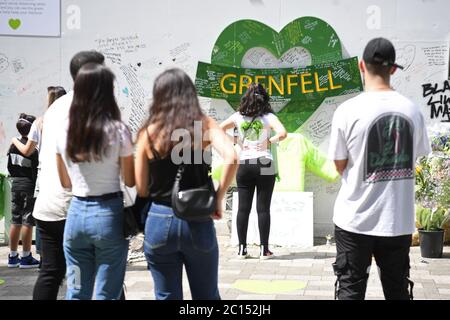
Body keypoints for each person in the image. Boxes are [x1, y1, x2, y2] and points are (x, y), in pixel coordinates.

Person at [328, 37, 431, 300]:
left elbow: (339, 164)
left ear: (362, 66)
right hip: (396, 220)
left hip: (354, 218)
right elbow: (416, 157)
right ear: (393, 69)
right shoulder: (412, 111)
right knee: (397, 290)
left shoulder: (347, 111)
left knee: (350, 289)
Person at [135, 68, 238, 300]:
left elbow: (141, 188)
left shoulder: (149, 132)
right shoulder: (205, 125)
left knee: (166, 295)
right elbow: (232, 157)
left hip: (159, 219)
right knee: (207, 296)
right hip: (198, 217)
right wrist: (218, 198)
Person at [56, 63, 134, 300]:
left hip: (76, 218)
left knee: (76, 290)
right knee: (106, 293)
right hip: (108, 217)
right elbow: (130, 179)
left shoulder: (65, 131)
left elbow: (65, 182)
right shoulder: (119, 131)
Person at [32, 51, 105, 300]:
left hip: (47, 205)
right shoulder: (92, 108)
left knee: (51, 272)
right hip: (77, 206)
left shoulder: (54, 108)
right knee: (103, 273)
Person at [220, 83, 287, 259]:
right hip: (264, 162)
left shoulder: (237, 117)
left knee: (243, 208)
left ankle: (242, 249)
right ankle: (264, 250)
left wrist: (235, 140)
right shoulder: (269, 117)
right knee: (263, 209)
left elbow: (218, 130)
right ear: (264, 99)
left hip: (245, 163)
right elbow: (283, 133)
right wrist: (269, 141)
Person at [12, 86, 67, 260]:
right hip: (63, 171)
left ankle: (44, 256)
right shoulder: (70, 120)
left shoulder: (41, 121)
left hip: (44, 173)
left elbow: (28, 150)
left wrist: (14, 139)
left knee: (43, 214)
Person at [6, 113, 39, 268]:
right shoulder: (31, 148)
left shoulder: (13, 145)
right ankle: (26, 257)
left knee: (15, 220)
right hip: (28, 186)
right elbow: (35, 170)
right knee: (27, 220)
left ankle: (13, 256)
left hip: (15, 185)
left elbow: (9, 167)